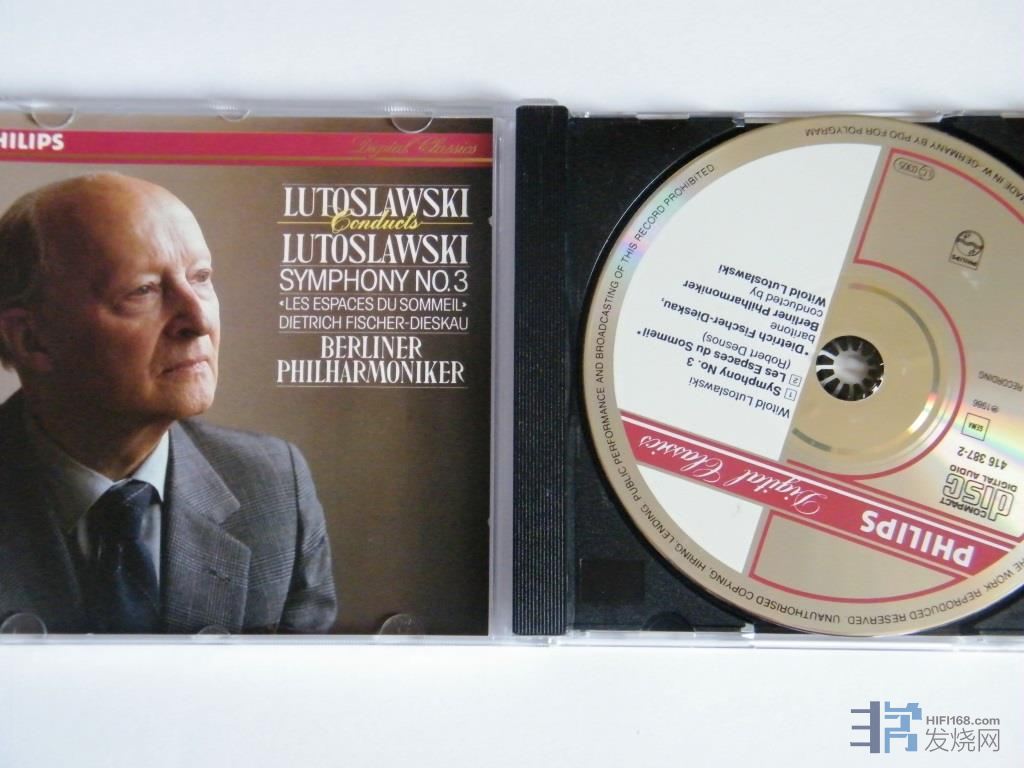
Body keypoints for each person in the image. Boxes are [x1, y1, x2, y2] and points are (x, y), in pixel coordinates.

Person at [0, 173, 337, 634]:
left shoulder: (273, 483)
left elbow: (301, 680)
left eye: (201, 278)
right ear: (31, 338)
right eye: (143, 290)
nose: (198, 320)